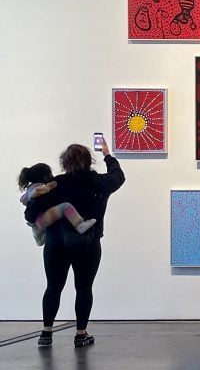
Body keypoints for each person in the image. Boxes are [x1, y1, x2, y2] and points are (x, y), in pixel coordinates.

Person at [24, 139, 125, 349]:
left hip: (56, 243)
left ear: (64, 163)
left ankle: (46, 333)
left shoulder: (56, 184)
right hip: (88, 244)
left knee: (53, 287)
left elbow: (30, 213)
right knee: (84, 288)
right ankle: (81, 334)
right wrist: (107, 154)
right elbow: (119, 176)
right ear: (89, 162)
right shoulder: (99, 183)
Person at [18, 163, 96, 246]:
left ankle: (39, 237)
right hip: (41, 220)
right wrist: (46, 188)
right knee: (65, 207)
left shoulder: (30, 188)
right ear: (45, 177)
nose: (53, 176)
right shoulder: (39, 187)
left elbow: (23, 200)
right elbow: (36, 192)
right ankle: (79, 225)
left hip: (39, 221)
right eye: (50, 174)